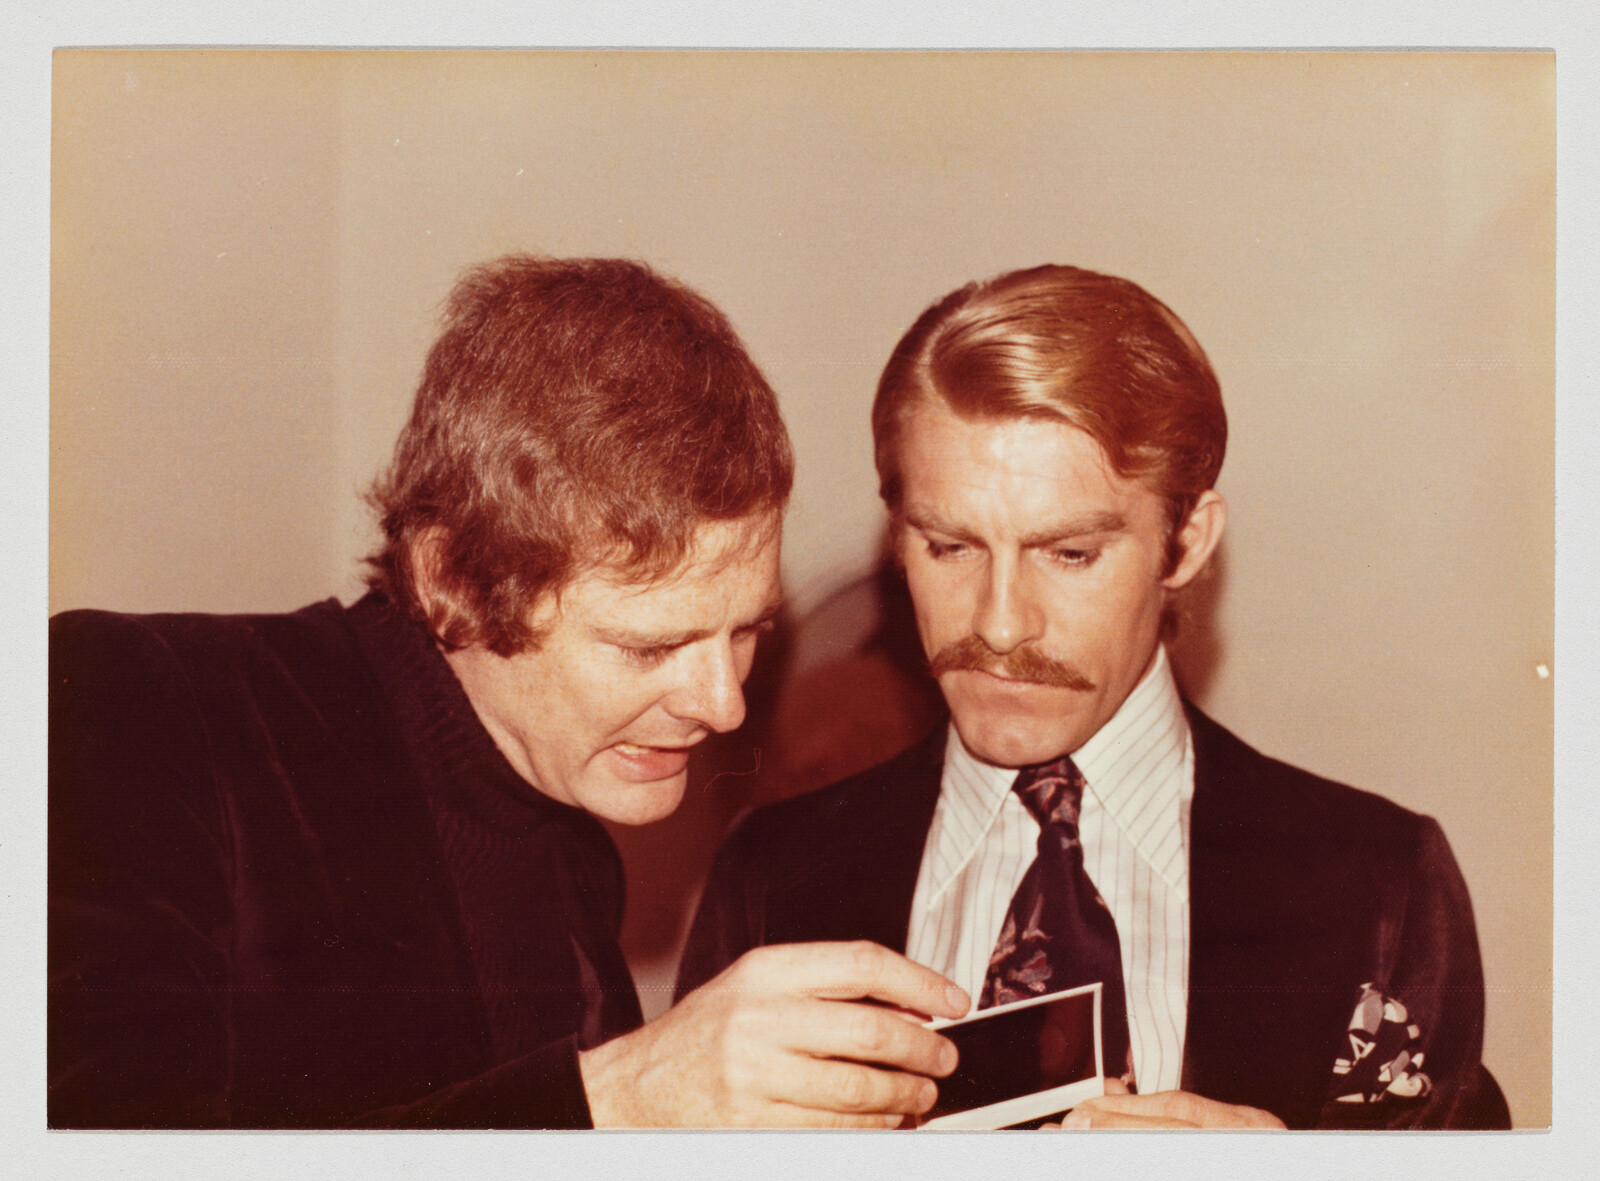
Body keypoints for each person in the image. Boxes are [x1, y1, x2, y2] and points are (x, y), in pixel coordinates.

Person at [49, 255, 969, 1129]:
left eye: (746, 631)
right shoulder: (135, 703)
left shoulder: (569, 841)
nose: (724, 705)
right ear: (452, 580)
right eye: (648, 645)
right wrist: (621, 1098)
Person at [678, 264, 1511, 1129]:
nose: (1000, 626)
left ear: (1186, 544)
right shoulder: (771, 877)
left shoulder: (1377, 884)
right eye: (950, 547)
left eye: (1069, 554)